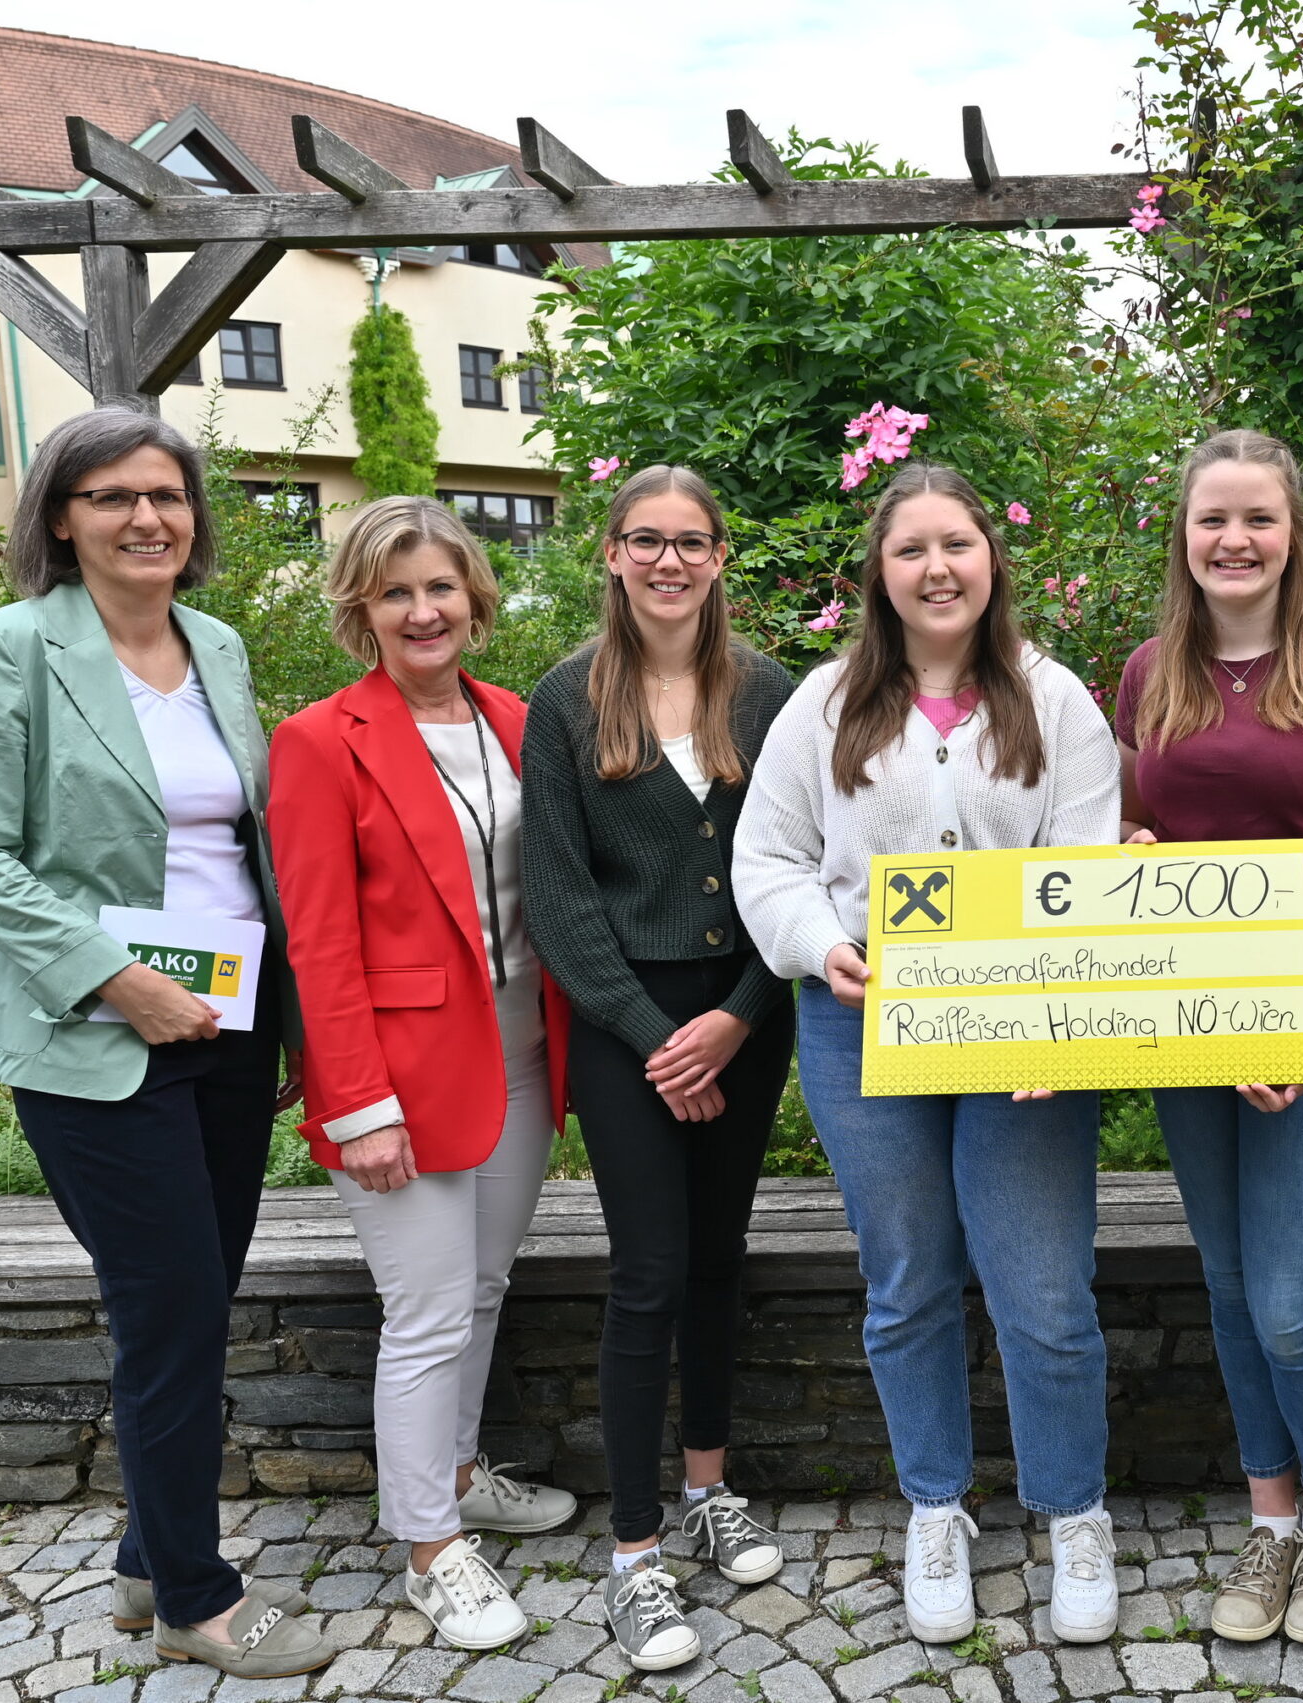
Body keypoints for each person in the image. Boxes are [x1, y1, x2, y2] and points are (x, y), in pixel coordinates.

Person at [0, 409, 328, 1679]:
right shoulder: (6, 649)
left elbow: (246, 845)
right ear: (59, 516)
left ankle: (142, 1561)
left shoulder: (217, 644)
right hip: (94, 1033)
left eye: (166, 494)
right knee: (171, 1306)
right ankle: (196, 1600)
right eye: (111, 496)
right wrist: (122, 978)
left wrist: (294, 1020)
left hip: (230, 1020)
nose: (147, 517)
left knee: (190, 1303)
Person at [733, 463, 1123, 1647]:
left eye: (957, 543)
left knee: (1045, 1292)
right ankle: (935, 1504)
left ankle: (1072, 1510)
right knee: (906, 1282)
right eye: (912, 550)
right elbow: (770, 858)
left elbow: (1091, 870)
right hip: (866, 1024)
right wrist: (817, 943)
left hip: (1025, 1033)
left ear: (990, 559)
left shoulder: (1056, 702)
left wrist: (1061, 1019)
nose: (938, 567)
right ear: (880, 573)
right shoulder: (824, 702)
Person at [1115, 428, 1303, 1648]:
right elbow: (1133, 833)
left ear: (1294, 531)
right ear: (1183, 535)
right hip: (1191, 1020)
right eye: (1211, 520)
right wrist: (1129, 857)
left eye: (1257, 518)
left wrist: (1298, 1022)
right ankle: (1269, 1514)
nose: (1233, 540)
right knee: (1233, 1286)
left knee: (1292, 1296)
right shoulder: (1150, 669)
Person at [267, 497, 579, 1652]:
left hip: (521, 1047)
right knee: (429, 1305)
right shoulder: (319, 740)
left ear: (475, 597)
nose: (422, 608)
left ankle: (455, 1472)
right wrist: (357, 1104)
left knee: (485, 1285)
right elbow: (318, 939)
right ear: (361, 609)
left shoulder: (513, 718)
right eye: (395, 591)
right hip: (396, 1071)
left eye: (439, 586)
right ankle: (429, 1547)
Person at [521, 465, 798, 1672]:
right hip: (621, 1022)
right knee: (647, 1268)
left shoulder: (777, 694)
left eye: (692, 541)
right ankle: (634, 1551)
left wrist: (736, 1015)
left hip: (749, 1004)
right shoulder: (568, 700)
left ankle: (707, 1484)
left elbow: (807, 868)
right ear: (613, 552)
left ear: (722, 557)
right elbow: (559, 894)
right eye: (648, 539)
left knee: (718, 1254)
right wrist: (652, 1036)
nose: (670, 561)